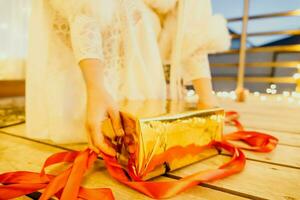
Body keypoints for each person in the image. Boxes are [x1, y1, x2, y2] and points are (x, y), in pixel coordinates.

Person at [26, 0, 231, 155]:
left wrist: (207, 100)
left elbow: (193, 23)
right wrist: (95, 84)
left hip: (140, 61)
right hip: (86, 56)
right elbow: (84, 7)